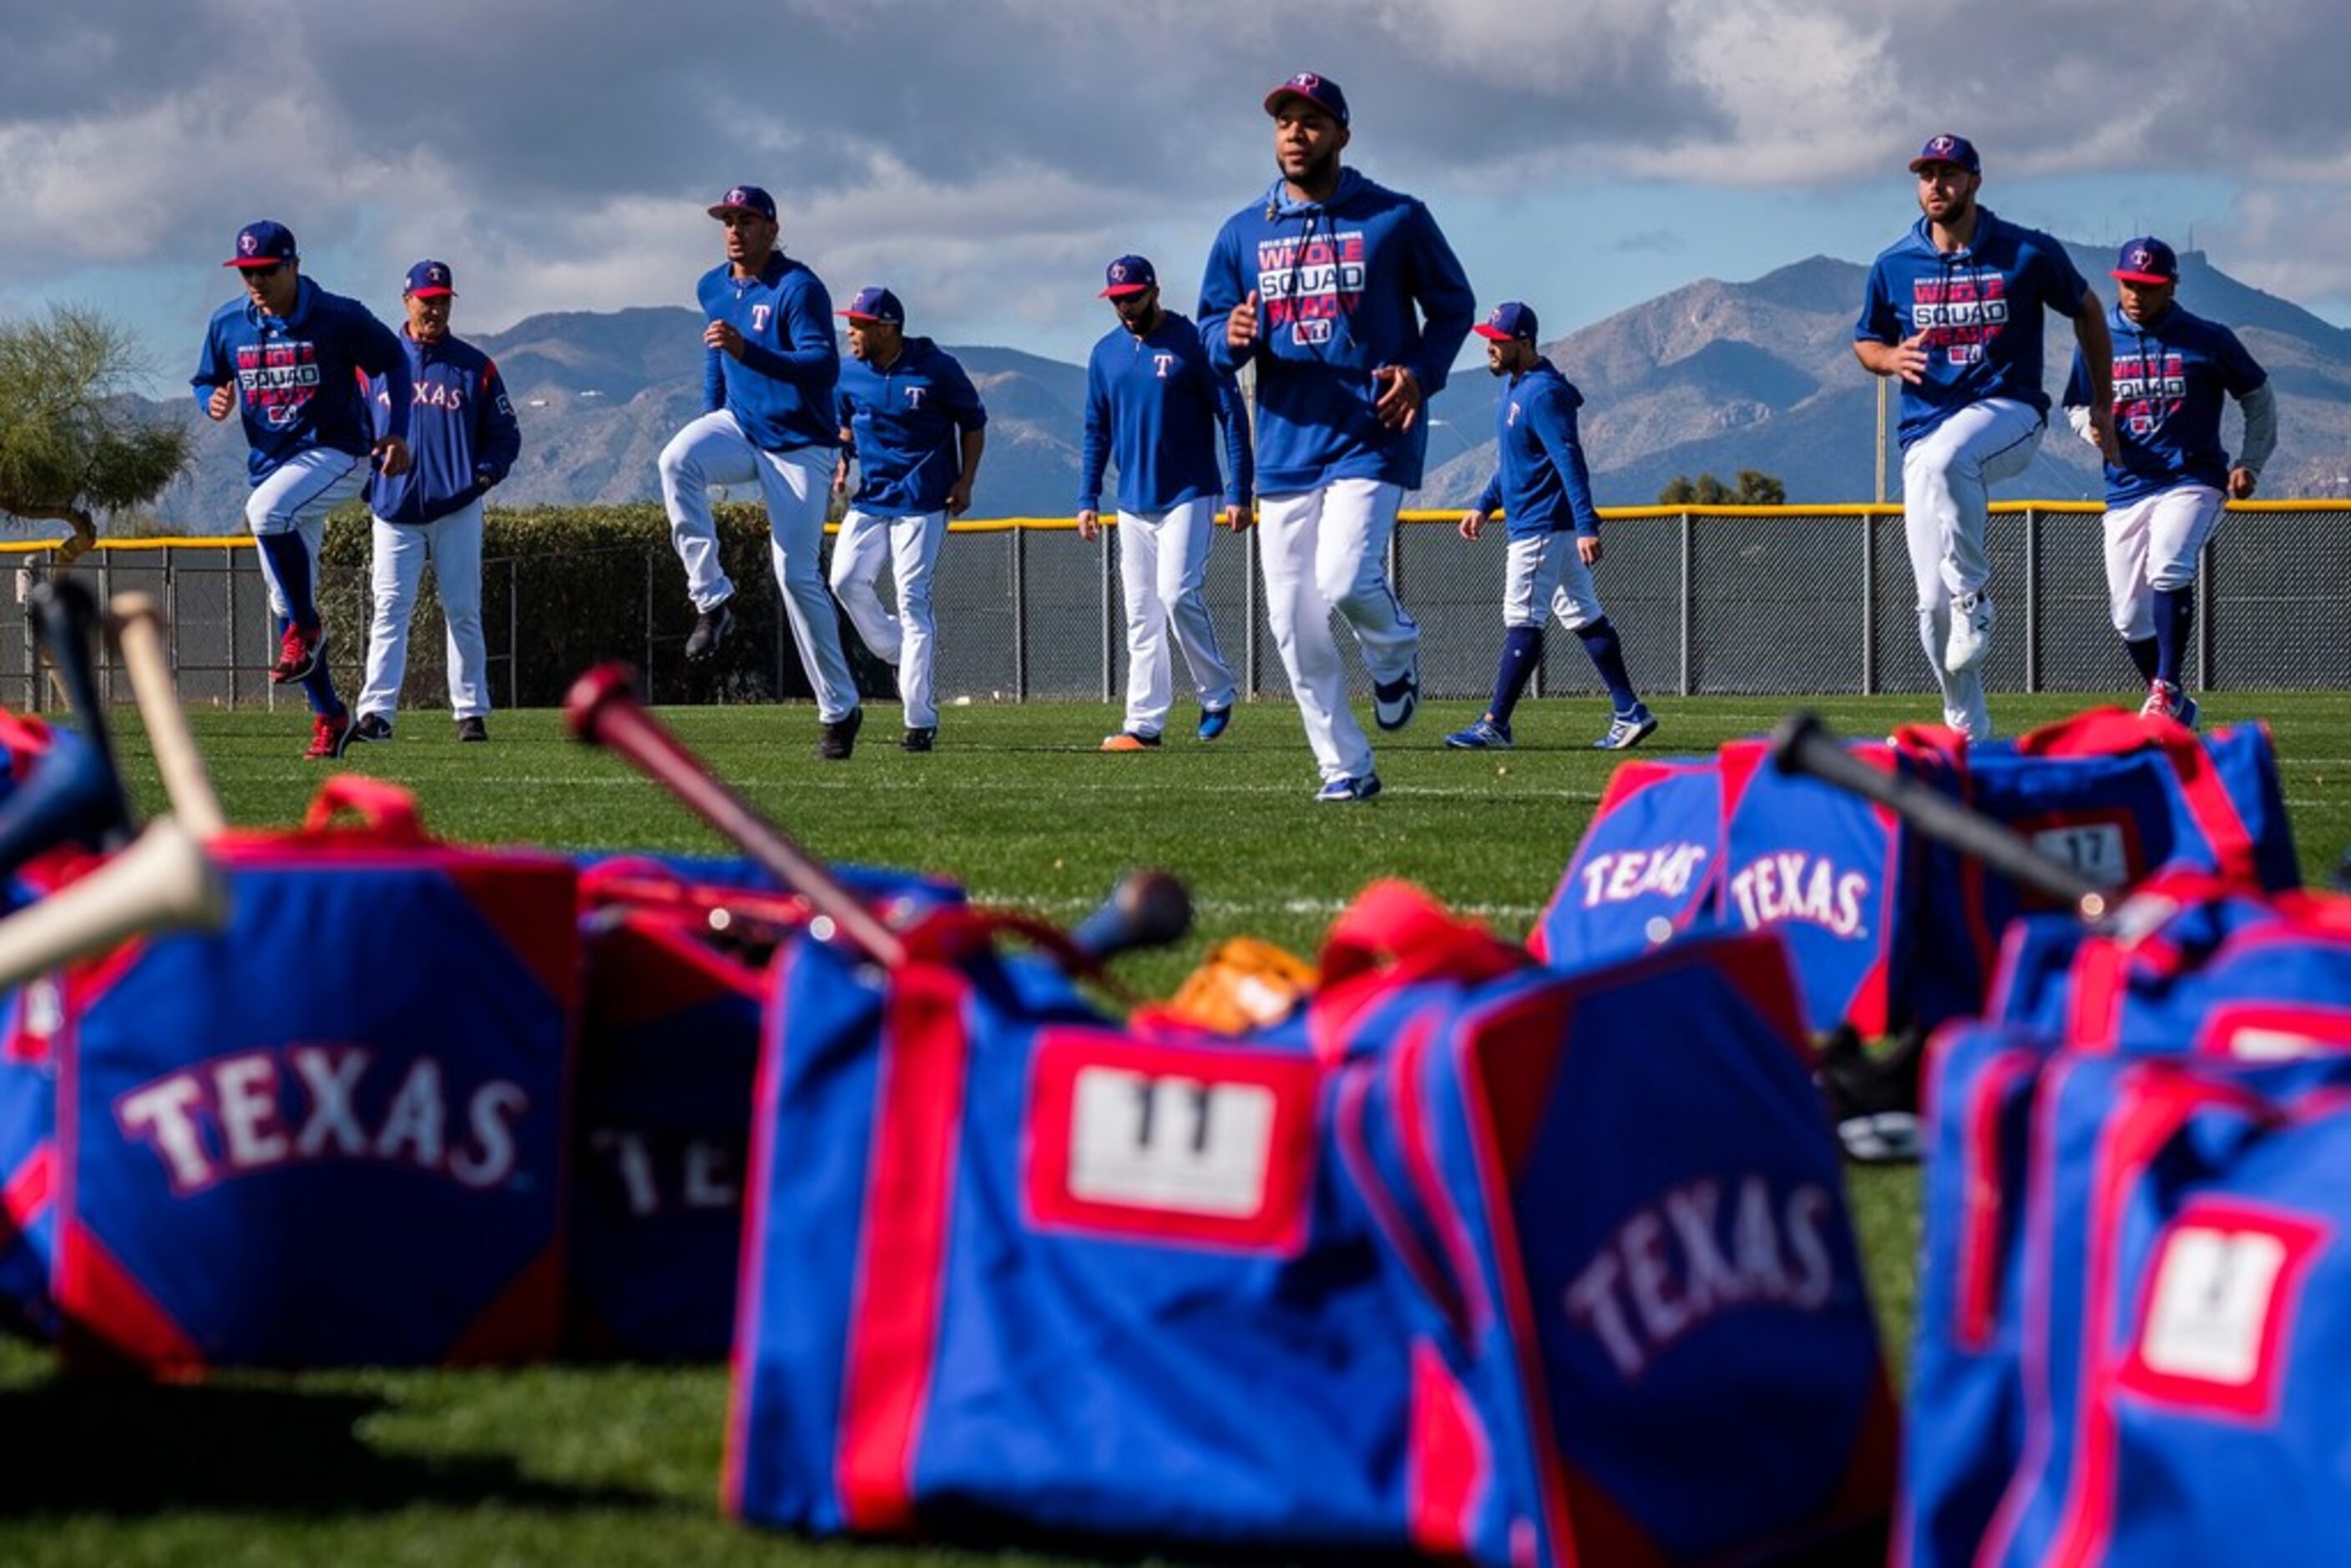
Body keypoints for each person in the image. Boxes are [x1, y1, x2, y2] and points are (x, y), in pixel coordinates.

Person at [1197, 69, 1476, 802]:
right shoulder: (1241, 232)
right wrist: (1226, 336)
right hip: (1285, 445)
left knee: (1346, 579)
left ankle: (1394, 652)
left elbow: (1454, 308)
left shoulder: (1395, 217)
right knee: (1292, 621)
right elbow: (1207, 335)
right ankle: (1345, 767)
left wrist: (1421, 372)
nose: (1295, 132)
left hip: (1372, 433)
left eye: (1312, 120)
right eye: (1284, 120)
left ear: (1342, 134)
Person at [1853, 134, 2117, 739]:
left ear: (1975, 181)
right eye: (1926, 175)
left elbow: (2088, 309)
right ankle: (1966, 728)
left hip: (2010, 412)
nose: (1936, 185)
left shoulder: (2026, 250)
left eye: (1949, 174)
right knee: (1928, 610)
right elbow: (1866, 341)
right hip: (1924, 431)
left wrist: (2101, 401)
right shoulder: (1895, 263)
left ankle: (1975, 594)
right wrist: (1889, 358)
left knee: (1953, 463)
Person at [655, 184, 864, 760]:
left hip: (801, 444)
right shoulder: (712, 286)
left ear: (771, 229)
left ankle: (839, 710)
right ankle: (712, 601)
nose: (734, 229)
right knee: (676, 458)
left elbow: (823, 367)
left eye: (747, 220)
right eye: (728, 219)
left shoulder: (799, 287)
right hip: (743, 426)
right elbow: (716, 352)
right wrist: (709, 420)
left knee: (797, 576)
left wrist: (751, 352)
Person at [192, 220, 412, 759]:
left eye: (266, 270)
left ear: (293, 265)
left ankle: (308, 630)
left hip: (340, 454)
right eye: (246, 271)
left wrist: (398, 431)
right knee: (282, 598)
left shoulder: (339, 316)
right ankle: (331, 717)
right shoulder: (228, 324)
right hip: (274, 467)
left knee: (265, 516)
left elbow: (395, 362)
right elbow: (205, 379)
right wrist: (211, 400)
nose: (255, 280)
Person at [2061, 237, 2276, 728]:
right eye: (2129, 284)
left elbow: (2258, 397)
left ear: (2171, 286)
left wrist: (2251, 461)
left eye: (2150, 285)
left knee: (2168, 566)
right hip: (2126, 486)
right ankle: (2175, 706)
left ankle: (2165, 688)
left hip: (2192, 477)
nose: (2137, 293)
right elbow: (2076, 403)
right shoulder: (2097, 339)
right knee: (2129, 616)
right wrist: (2090, 427)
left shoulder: (2206, 338)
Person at [1446, 301, 1656, 751]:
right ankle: (1630, 711)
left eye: (1499, 340)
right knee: (1583, 615)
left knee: (1522, 619)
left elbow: (1568, 460)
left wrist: (1587, 524)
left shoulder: (1542, 393)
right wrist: (1484, 505)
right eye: (1489, 338)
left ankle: (1495, 723)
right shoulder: (1518, 388)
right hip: (1539, 523)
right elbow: (1516, 463)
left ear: (1524, 343)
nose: (1490, 346)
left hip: (1542, 525)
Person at [1078, 255, 1250, 751]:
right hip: (1132, 501)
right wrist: (1087, 496)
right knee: (1141, 614)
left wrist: (1239, 491)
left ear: (1154, 291)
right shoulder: (1105, 353)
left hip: (1189, 492)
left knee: (1176, 595)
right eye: (1116, 300)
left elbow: (1233, 418)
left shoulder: (1194, 341)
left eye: (1132, 297)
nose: (1125, 307)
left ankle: (1216, 692)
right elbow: (1096, 430)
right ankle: (1143, 726)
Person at [353, 260, 520, 745]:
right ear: (407, 301)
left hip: (456, 510)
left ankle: (470, 712)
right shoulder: (376, 366)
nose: (436, 308)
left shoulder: (474, 366)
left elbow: (504, 434)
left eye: (444, 299)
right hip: (393, 514)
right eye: (428, 299)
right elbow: (353, 431)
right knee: (389, 611)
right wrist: (368, 485)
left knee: (463, 610)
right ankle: (377, 714)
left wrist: (481, 478)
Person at [830, 287, 988, 752]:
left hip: (923, 499)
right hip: (872, 498)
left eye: (858, 324)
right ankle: (898, 649)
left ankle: (919, 720)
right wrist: (843, 459)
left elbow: (973, 423)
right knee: (843, 581)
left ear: (887, 327)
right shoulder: (849, 372)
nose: (850, 332)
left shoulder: (937, 368)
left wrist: (966, 481)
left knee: (912, 597)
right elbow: (845, 423)